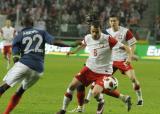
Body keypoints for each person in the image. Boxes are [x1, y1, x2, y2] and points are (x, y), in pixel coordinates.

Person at [0, 16, 75, 114]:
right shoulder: (41, 32)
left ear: (23, 24)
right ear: (32, 23)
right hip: (38, 70)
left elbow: (15, 55)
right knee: (20, 91)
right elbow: (55, 42)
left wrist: (17, 63)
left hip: (24, 64)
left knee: (4, 87)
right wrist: (70, 45)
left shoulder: (19, 35)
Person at [56, 20, 132, 114]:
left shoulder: (108, 39)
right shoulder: (88, 37)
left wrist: (129, 58)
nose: (95, 34)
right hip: (89, 68)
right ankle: (63, 110)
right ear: (90, 30)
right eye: (93, 31)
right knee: (72, 86)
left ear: (100, 30)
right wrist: (74, 51)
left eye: (97, 31)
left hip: (104, 72)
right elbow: (83, 44)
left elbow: (126, 48)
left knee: (95, 93)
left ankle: (101, 101)